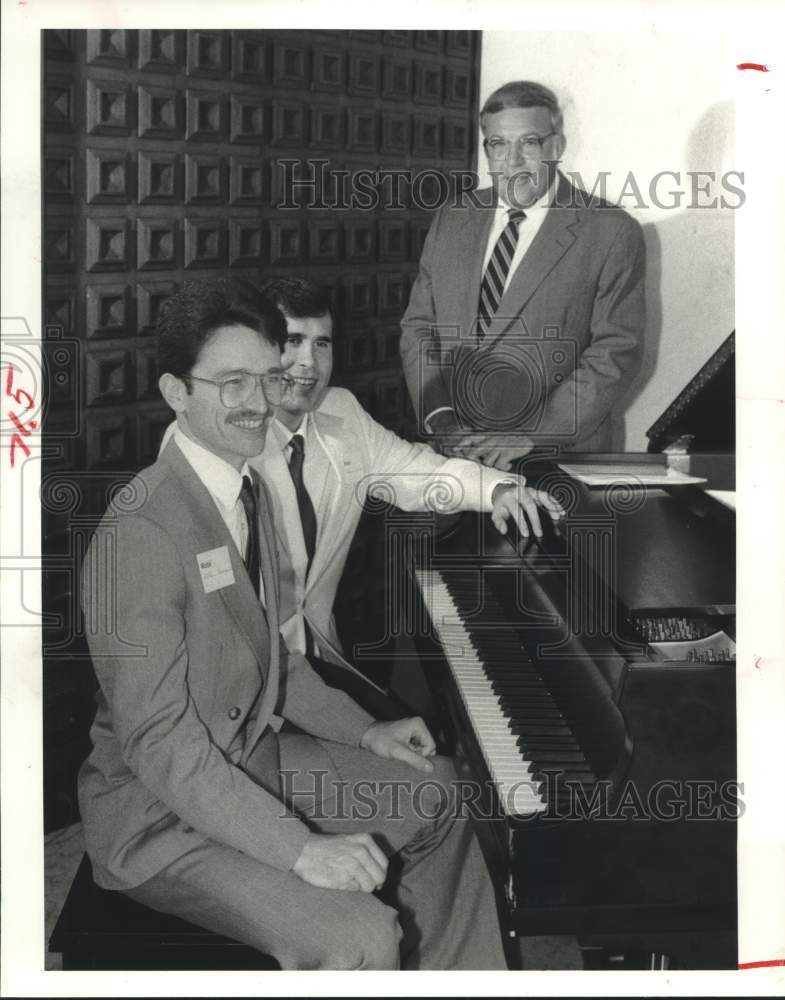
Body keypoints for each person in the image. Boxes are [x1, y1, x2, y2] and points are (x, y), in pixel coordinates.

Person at [77, 277, 509, 970]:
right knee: (362, 937)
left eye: (267, 378)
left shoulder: (247, 489)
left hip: (255, 764)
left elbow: (277, 656)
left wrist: (363, 729)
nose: (258, 403)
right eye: (231, 383)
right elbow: (158, 743)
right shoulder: (141, 531)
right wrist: (300, 849)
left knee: (442, 792)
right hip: (160, 816)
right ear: (175, 392)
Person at [254, 277, 564, 699]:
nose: (309, 362)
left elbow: (420, 471)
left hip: (324, 666)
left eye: (322, 344)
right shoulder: (223, 431)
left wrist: (500, 490)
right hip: (241, 682)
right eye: (293, 341)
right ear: (260, 346)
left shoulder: (341, 411)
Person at [400, 79, 646, 469]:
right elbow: (418, 327)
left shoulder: (611, 230)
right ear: (487, 150)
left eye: (528, 143)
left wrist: (533, 434)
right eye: (498, 145)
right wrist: (440, 419)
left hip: (555, 458)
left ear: (556, 147)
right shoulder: (452, 218)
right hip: (454, 455)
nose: (512, 162)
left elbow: (615, 353)